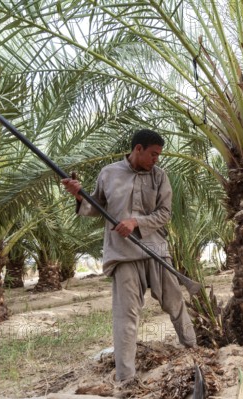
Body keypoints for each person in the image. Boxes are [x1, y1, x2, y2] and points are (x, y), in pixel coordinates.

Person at [61, 129, 197, 382]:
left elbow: (165, 213)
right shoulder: (108, 173)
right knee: (126, 316)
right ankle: (126, 379)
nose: (156, 159)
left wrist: (136, 222)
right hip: (122, 256)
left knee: (176, 304)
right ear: (138, 149)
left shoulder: (160, 176)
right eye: (153, 154)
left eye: (159, 155)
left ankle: (193, 350)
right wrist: (79, 195)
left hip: (155, 251)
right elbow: (95, 208)